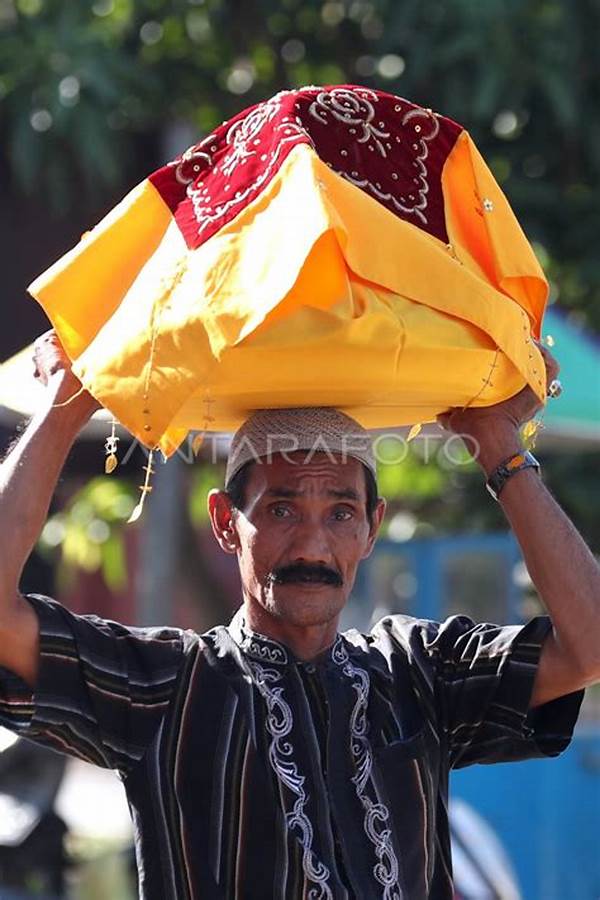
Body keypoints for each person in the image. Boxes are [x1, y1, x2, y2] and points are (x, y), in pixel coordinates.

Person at [0, 329, 597, 900]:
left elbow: (588, 646)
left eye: (341, 514)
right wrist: (64, 409)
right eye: (281, 511)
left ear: (372, 528)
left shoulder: (418, 673)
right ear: (225, 522)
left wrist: (499, 445)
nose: (313, 547)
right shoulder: (168, 685)